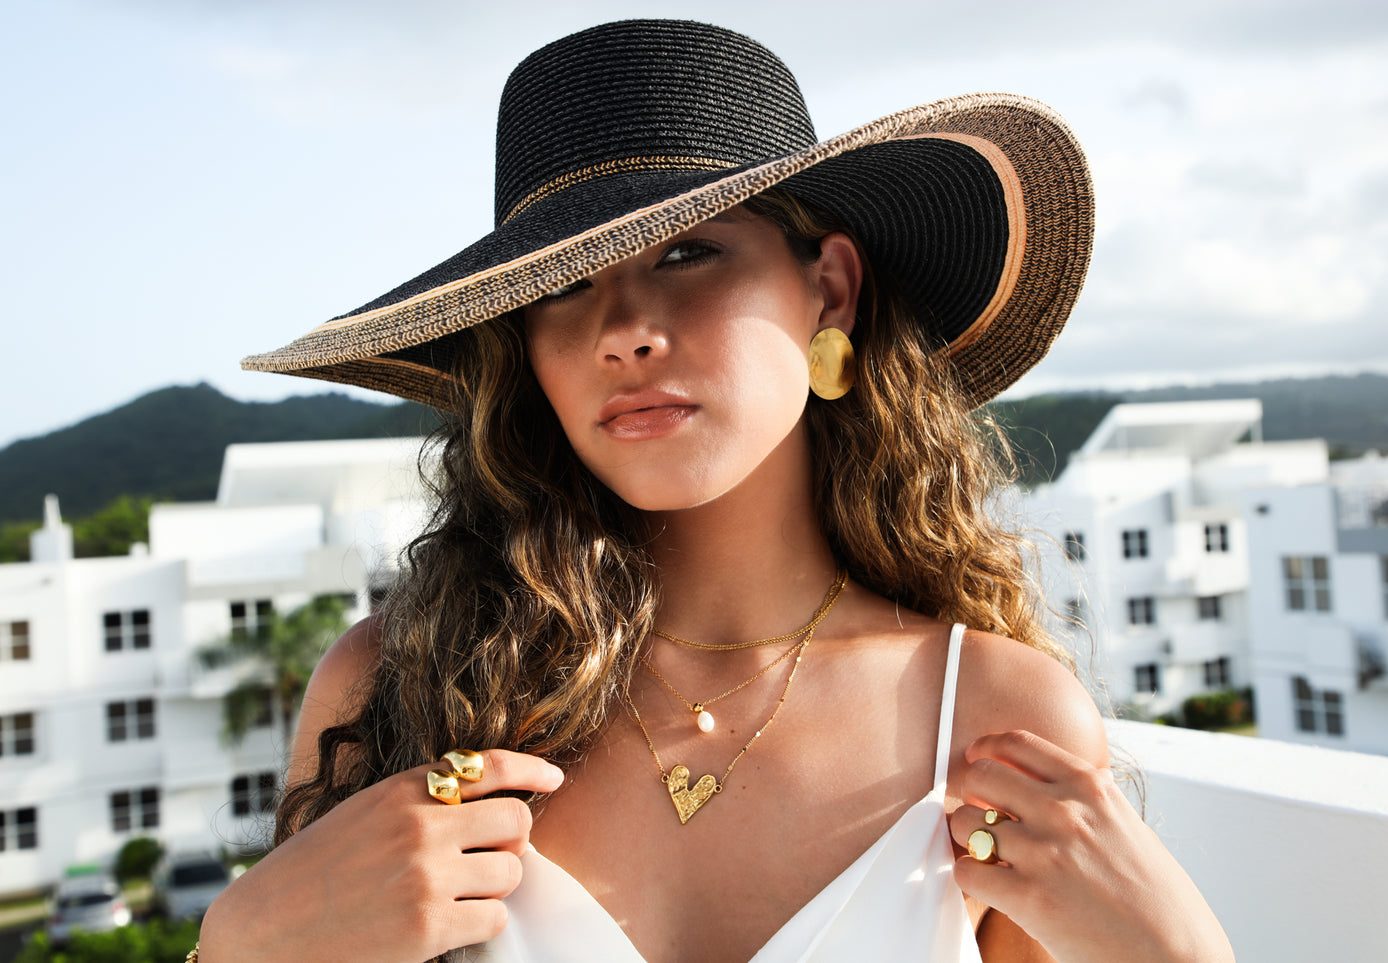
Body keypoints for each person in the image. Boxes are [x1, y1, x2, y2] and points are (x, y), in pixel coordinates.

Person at [203, 19, 1233, 963]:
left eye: (687, 253)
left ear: (829, 287)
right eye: (561, 284)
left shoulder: (993, 717)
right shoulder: (397, 685)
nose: (623, 331)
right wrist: (241, 945)